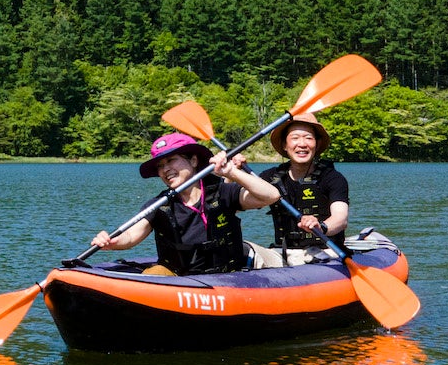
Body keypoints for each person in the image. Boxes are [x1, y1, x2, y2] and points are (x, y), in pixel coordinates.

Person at [87, 130, 280, 275]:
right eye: (160, 165)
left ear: (194, 160)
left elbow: (271, 195)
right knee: (155, 274)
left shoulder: (222, 192)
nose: (166, 169)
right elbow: (131, 236)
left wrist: (232, 173)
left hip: (227, 276)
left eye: (172, 160)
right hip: (181, 278)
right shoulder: (159, 204)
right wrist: (111, 242)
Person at [252, 111, 348, 265]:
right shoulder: (270, 177)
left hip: (325, 252)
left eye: (308, 138)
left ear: (316, 144)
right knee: (246, 250)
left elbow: (341, 218)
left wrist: (321, 226)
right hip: (282, 253)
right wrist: (231, 173)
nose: (302, 144)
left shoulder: (333, 178)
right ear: (285, 145)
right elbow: (237, 200)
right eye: (295, 138)